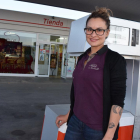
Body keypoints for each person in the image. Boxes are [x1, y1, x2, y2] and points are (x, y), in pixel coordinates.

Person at [56, 7, 127, 140]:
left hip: (97, 129)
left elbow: (118, 100)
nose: (93, 34)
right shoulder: (82, 57)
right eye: (89, 29)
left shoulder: (115, 60)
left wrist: (109, 135)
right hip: (75, 123)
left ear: (107, 33)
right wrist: (68, 115)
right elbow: (80, 93)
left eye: (99, 30)